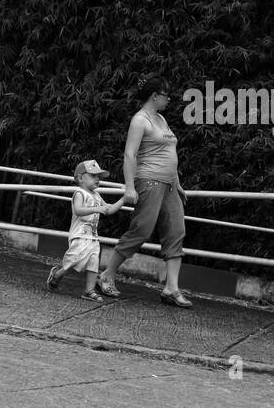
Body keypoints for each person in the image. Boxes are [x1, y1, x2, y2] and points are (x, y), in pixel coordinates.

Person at [97, 76, 193, 307]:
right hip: (148, 182)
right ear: (155, 96)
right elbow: (130, 154)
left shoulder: (161, 119)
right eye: (166, 95)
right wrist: (129, 187)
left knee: (176, 231)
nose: (169, 99)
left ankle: (171, 288)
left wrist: (177, 185)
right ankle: (107, 274)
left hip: (169, 185)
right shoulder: (140, 120)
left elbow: (170, 155)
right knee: (141, 229)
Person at [47, 159, 126, 300]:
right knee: (74, 260)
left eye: (99, 177)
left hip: (93, 236)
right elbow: (78, 210)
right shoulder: (79, 193)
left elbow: (108, 210)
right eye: (93, 176)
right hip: (79, 235)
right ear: (80, 178)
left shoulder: (96, 195)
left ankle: (89, 290)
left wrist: (124, 199)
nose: (97, 179)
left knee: (93, 261)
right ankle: (57, 274)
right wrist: (97, 208)